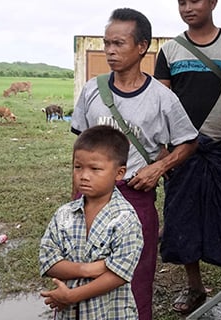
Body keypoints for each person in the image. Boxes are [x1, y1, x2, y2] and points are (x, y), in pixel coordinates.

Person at [70, 8, 199, 320]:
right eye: (107, 43)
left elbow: (189, 142)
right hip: (89, 199)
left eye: (119, 43)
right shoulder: (92, 91)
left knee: (134, 278)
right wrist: (74, 201)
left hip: (134, 198)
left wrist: (159, 168)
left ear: (142, 47)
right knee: (84, 274)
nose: (110, 51)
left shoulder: (161, 98)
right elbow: (78, 151)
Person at [155, 0, 221, 315]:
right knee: (182, 218)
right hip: (182, 151)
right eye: (182, 2)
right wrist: (164, 151)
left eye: (195, 0)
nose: (188, 8)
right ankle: (194, 286)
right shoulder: (169, 51)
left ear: (213, 2)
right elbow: (162, 105)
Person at [39, 125, 145, 319]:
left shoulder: (125, 219)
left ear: (119, 173)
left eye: (95, 169)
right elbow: (48, 261)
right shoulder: (64, 215)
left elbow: (119, 275)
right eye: (78, 167)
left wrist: (71, 296)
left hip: (110, 313)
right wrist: (87, 269)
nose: (84, 176)